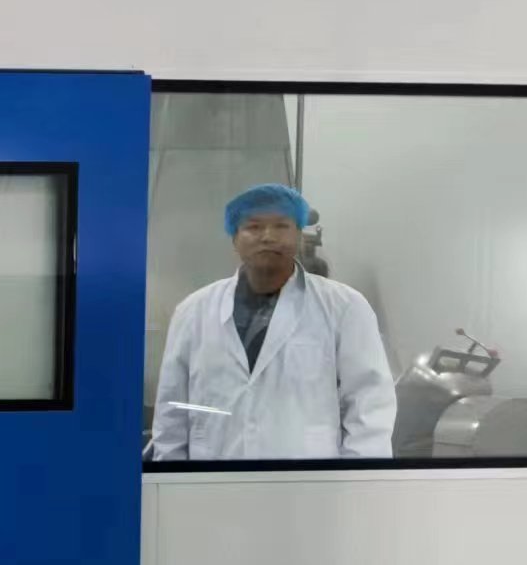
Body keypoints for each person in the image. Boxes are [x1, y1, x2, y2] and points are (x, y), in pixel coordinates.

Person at [149, 183, 395, 460]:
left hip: (309, 478)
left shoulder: (344, 307)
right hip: (213, 474)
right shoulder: (193, 311)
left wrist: (360, 476)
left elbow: (369, 402)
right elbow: (171, 408)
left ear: (299, 236)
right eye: (253, 227)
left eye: (281, 226)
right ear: (234, 239)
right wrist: (170, 475)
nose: (268, 236)